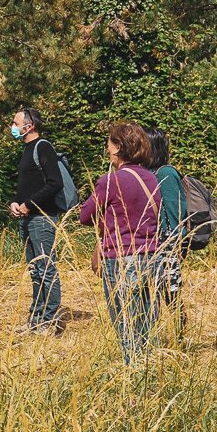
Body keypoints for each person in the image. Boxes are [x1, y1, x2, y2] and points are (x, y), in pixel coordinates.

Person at [77, 121, 163, 363]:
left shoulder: (111, 180)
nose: (107, 149)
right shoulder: (151, 178)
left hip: (121, 258)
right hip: (151, 256)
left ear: (118, 147)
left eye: (109, 144)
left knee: (125, 323)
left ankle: (132, 372)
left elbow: (85, 216)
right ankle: (150, 368)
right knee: (147, 319)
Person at [4, 107, 70, 334]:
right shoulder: (27, 149)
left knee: (46, 270)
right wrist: (15, 201)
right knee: (35, 271)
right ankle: (35, 320)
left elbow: (55, 182)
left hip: (42, 219)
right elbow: (28, 186)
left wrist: (29, 204)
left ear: (29, 126)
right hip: (28, 218)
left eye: (16, 123)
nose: (13, 127)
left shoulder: (43, 147)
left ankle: (49, 322)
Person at [146, 127, 187, 343]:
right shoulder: (151, 173)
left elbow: (175, 211)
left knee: (170, 292)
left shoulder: (165, 173)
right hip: (155, 243)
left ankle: (178, 337)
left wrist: (173, 244)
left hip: (166, 243)